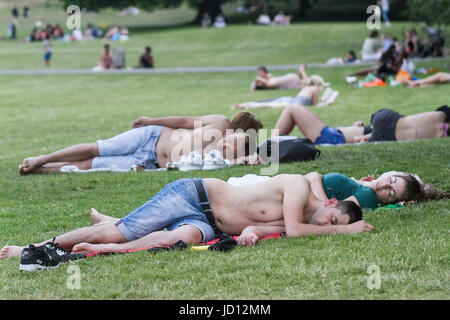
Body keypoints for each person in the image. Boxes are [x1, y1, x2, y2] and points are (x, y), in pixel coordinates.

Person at [0, 174, 370, 262]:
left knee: (178, 240)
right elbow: (294, 229)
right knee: (115, 233)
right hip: (194, 194)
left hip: (208, 224)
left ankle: (105, 247)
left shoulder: (305, 222)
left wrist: (253, 234)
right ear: (332, 202)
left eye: (333, 228)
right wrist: (347, 233)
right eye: (333, 220)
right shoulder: (299, 188)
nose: (327, 226)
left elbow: (263, 227)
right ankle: (28, 250)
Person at [17, 112, 263, 175]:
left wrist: (250, 158)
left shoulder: (230, 156)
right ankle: (42, 159)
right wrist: (152, 120)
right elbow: (184, 120)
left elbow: (241, 164)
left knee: (93, 163)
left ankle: (41, 169)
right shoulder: (219, 123)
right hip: (153, 136)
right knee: (99, 148)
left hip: (149, 163)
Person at [267, 105, 449, 146]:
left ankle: (263, 147)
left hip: (333, 137)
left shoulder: (439, 115)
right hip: (345, 134)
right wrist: (365, 129)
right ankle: (265, 146)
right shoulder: (439, 129)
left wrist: (364, 134)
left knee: (291, 109)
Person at [356, 106, 450, 143]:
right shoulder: (441, 136)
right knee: (371, 134)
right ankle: (363, 136)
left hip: (385, 119)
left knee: (373, 128)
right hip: (387, 135)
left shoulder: (442, 114)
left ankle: (365, 133)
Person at [233, 75, 330, 109]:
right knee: (270, 105)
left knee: (267, 101)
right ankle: (246, 106)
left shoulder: (307, 87)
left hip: (291, 99)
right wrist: (326, 103)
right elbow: (315, 105)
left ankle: (243, 104)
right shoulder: (315, 89)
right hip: (294, 103)